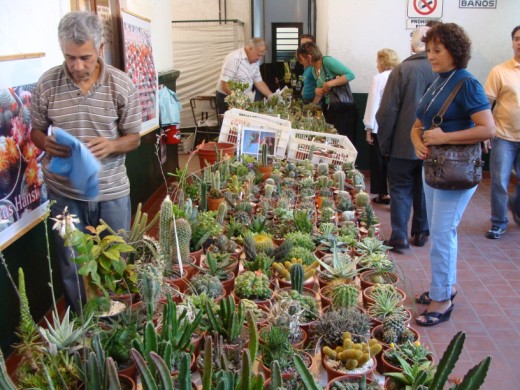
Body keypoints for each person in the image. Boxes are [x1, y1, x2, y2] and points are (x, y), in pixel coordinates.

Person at [30, 11, 142, 313]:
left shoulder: (121, 84)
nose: (77, 66)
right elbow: (35, 131)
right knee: (71, 262)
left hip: (111, 191)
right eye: (69, 58)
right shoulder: (47, 83)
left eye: (85, 57)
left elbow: (135, 137)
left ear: (101, 49)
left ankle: (114, 324)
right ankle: (84, 324)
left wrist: (112, 145)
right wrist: (45, 143)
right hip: (65, 194)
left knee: (115, 260)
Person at [411, 23, 495, 326]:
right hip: (434, 168)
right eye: (429, 49)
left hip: (455, 171)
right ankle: (444, 286)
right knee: (441, 231)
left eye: (437, 50)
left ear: (455, 51)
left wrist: (442, 138)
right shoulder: (439, 80)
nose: (430, 55)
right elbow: (418, 125)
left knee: (443, 234)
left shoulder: (466, 82)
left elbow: (488, 128)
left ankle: (442, 299)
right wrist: (419, 143)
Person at [376, 27, 434, 251]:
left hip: (402, 145)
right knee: (424, 188)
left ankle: (399, 237)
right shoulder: (444, 72)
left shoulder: (401, 70)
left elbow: (387, 111)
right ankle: (421, 232)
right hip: (433, 145)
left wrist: (385, 143)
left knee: (400, 189)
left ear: (413, 45)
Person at [483, 25, 520, 239]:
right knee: (499, 181)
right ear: (512, 42)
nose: (519, 43)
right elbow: (486, 104)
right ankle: (498, 222)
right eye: (516, 38)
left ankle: (516, 206)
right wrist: (487, 134)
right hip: (503, 137)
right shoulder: (499, 71)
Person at [296, 42, 358, 144]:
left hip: (344, 110)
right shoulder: (313, 69)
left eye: (301, 59)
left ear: (309, 57)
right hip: (332, 108)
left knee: (343, 143)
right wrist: (311, 107)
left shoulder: (327, 61)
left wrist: (330, 83)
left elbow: (350, 75)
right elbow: (321, 92)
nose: (300, 62)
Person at [363, 48, 400, 205]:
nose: (376, 64)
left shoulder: (378, 78)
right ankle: (395, 193)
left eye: (378, 61)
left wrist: (368, 128)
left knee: (379, 162)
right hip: (397, 127)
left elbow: (373, 104)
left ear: (383, 62)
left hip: (379, 126)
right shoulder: (400, 76)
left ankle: (382, 193)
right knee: (394, 162)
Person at [215, 37, 273, 115]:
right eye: (258, 55)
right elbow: (225, 85)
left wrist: (271, 95)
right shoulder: (234, 58)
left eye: (261, 56)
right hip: (227, 96)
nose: (259, 58)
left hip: (243, 98)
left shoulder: (255, 61)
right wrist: (239, 99)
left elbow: (259, 82)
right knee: (231, 124)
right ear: (249, 48)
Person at [299, 34, 317, 103]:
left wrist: (313, 105)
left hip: (313, 101)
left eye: (306, 44)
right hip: (306, 100)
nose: (303, 47)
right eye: (302, 44)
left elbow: (321, 88)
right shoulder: (307, 63)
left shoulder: (317, 63)